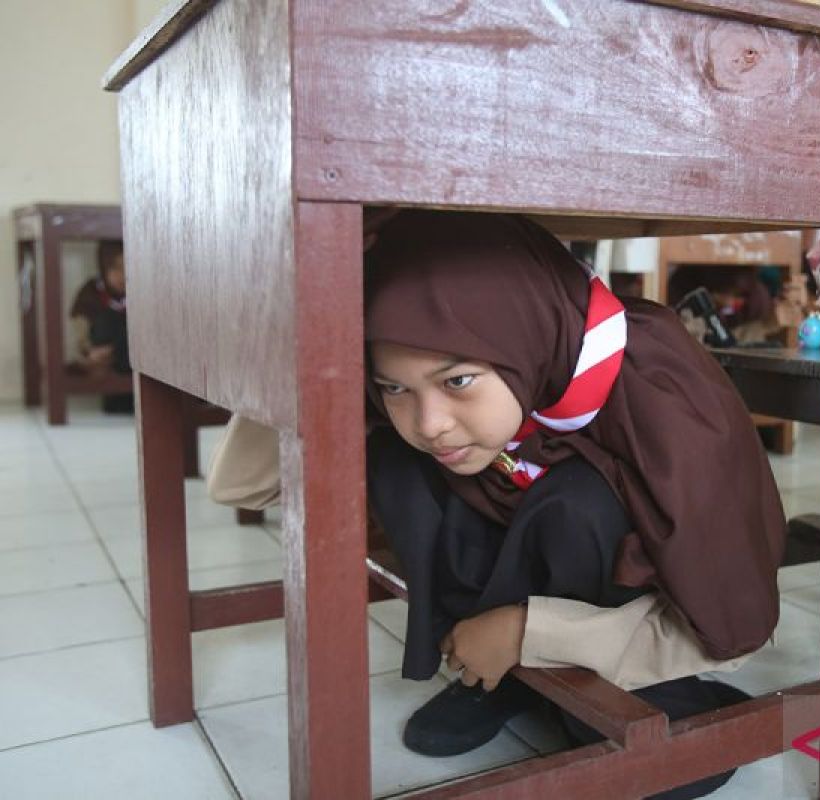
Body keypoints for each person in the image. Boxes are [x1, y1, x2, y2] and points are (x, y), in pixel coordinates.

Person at [208, 211, 786, 798]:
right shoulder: (439, 405)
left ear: (523, 339)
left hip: (618, 621)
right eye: (394, 387)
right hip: (516, 585)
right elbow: (241, 486)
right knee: (397, 461)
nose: (430, 424)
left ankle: (607, 687)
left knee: (578, 503)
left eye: (457, 380)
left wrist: (529, 633)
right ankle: (500, 680)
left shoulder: (665, 399)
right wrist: (309, 327)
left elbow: (736, 632)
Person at [68, 240, 132, 412]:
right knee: (107, 319)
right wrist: (90, 351)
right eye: (115, 268)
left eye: (127, 267)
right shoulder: (91, 292)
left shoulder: (141, 290)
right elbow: (80, 328)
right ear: (104, 267)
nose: (121, 275)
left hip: (133, 360)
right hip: (104, 361)